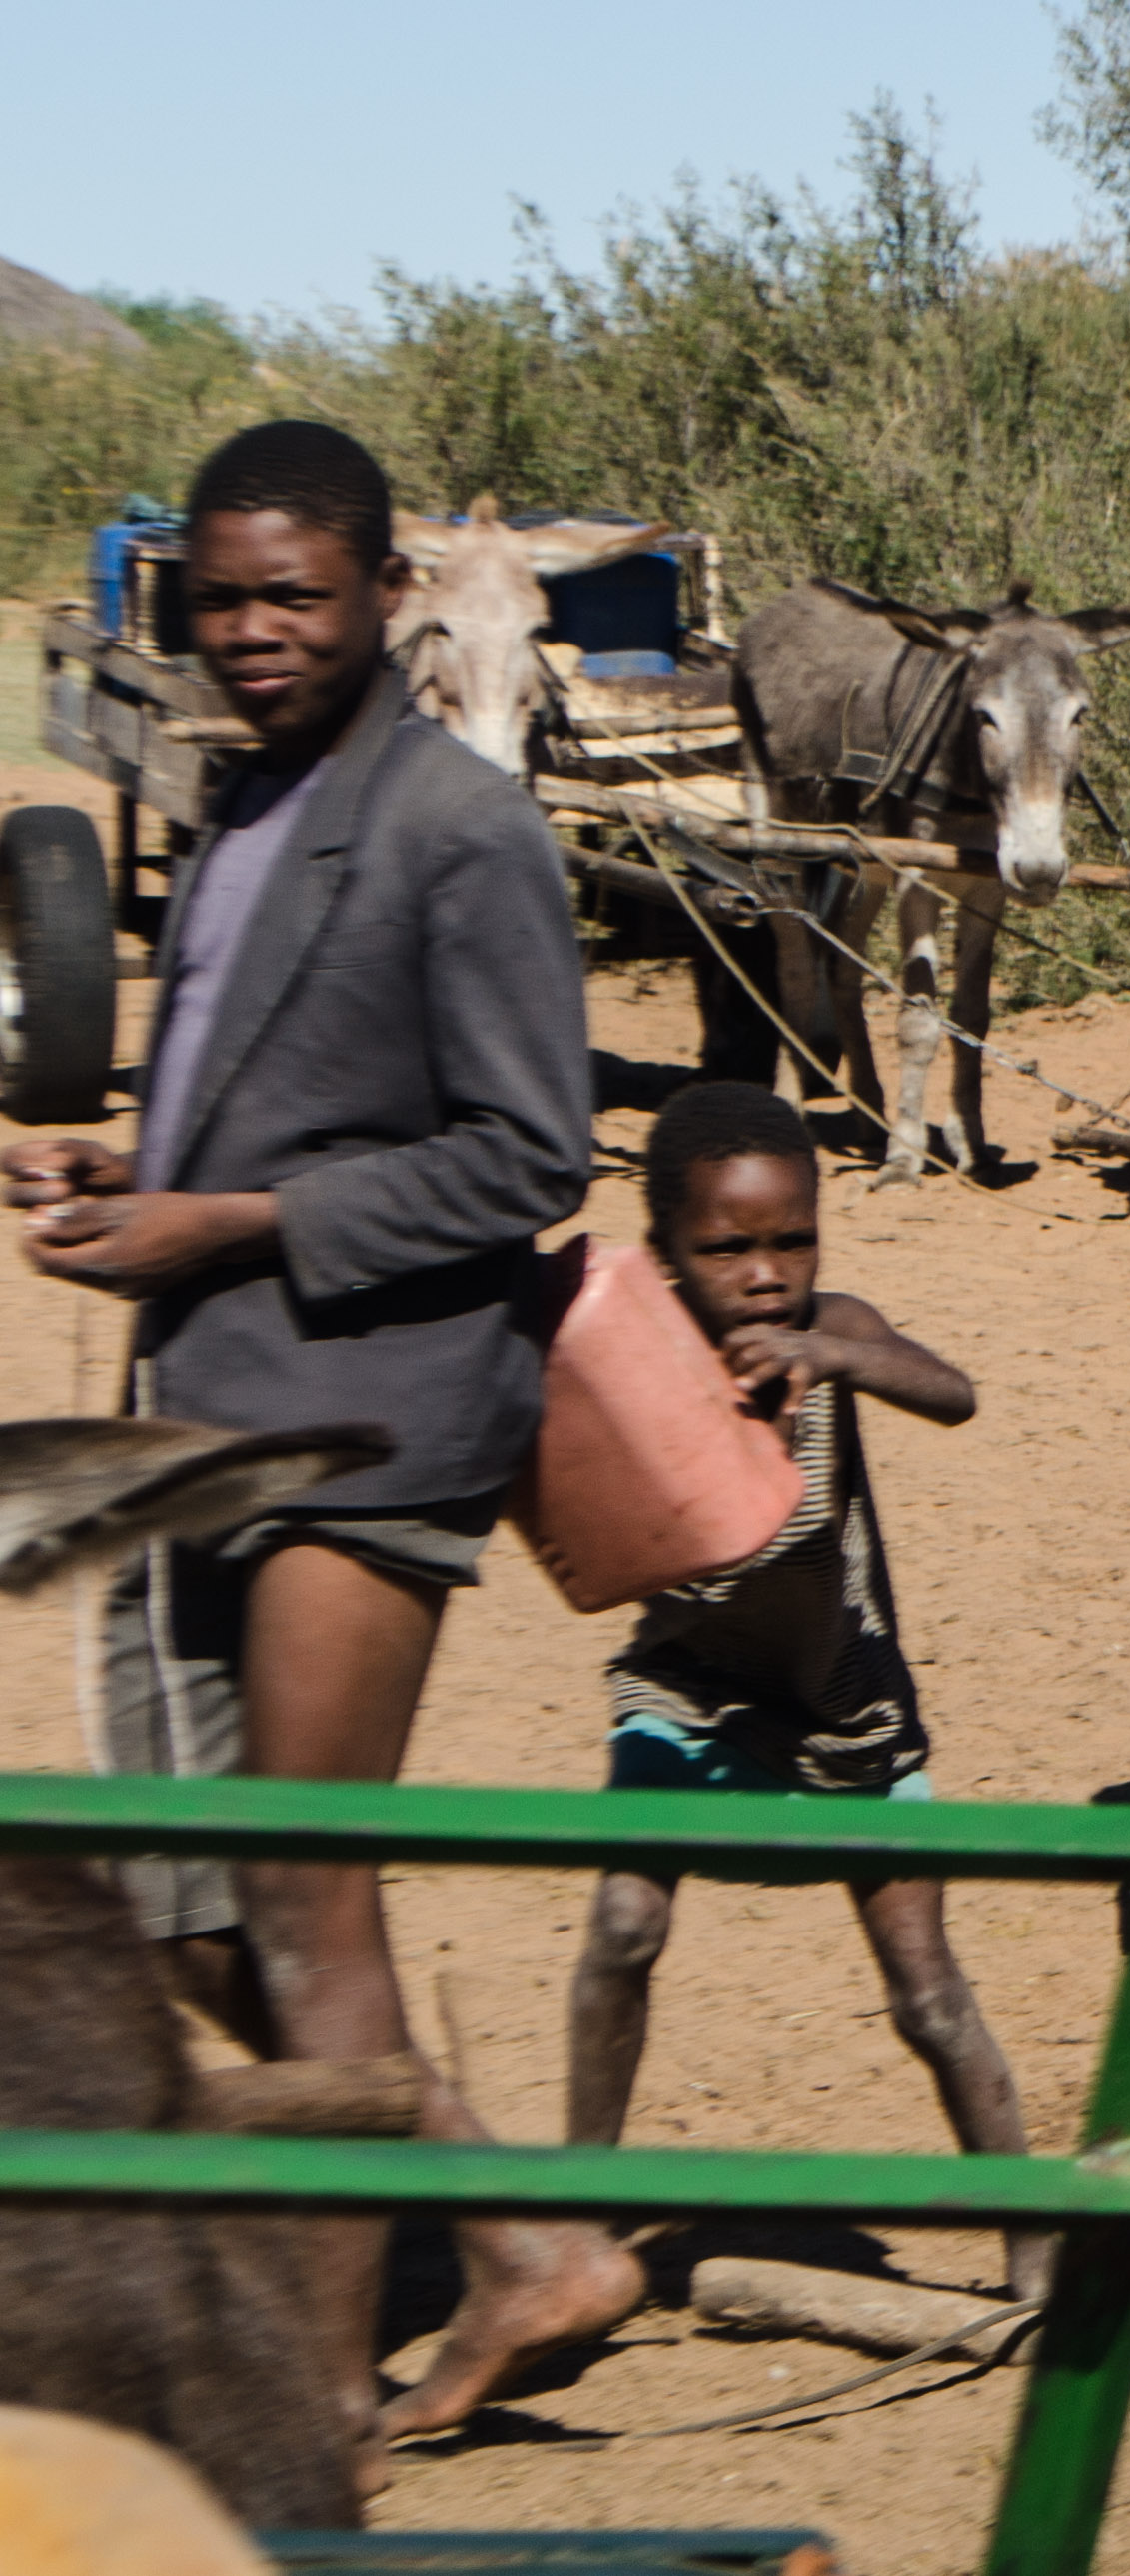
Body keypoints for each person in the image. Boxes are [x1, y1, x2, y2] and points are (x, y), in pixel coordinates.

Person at [0, 419, 636, 2447]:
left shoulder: (456, 825)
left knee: (299, 1897)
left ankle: (323, 2387)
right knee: (204, 1906)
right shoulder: (244, 798)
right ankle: (522, 2246)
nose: (254, 630)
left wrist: (235, 1218)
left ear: (380, 595)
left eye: (291, 592)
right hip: (218, 1397)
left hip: (367, 1424)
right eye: (220, 598)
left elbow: (532, 1150)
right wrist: (146, 1166)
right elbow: (292, 1089)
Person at [565, 1083, 1049, 2293]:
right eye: (726, 1248)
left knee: (929, 1996)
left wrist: (835, 1353)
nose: (765, 1274)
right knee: (623, 1927)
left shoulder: (835, 1330)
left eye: (791, 1240)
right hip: (686, 1692)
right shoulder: (641, 1356)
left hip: (849, 1706)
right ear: (666, 1253)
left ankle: (1036, 2246)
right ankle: (573, 2225)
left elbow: (953, 1390)